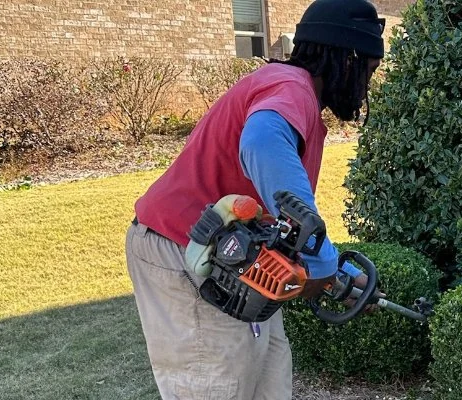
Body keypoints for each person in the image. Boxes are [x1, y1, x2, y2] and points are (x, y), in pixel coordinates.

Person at [123, 0, 385, 398]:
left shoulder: (293, 95)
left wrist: (339, 278)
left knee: (269, 373)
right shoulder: (291, 87)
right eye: (367, 70)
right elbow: (262, 143)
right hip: (183, 249)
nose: (365, 86)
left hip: (234, 257)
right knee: (218, 382)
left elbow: (283, 219)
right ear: (345, 59)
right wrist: (321, 263)